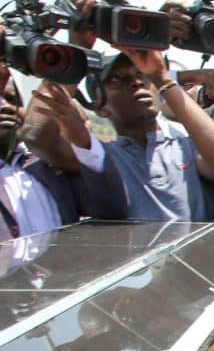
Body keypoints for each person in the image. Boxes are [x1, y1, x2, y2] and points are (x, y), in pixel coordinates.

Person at [24, 50, 214, 222]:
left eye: (141, 75)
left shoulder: (184, 142)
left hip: (199, 270)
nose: (136, 83)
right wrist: (77, 49)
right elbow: (37, 136)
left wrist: (162, 78)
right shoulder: (100, 157)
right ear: (100, 107)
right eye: (117, 79)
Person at [0, 67, 125, 237]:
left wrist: (83, 142)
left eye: (12, 99)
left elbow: (112, 212)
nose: (5, 107)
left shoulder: (50, 167)